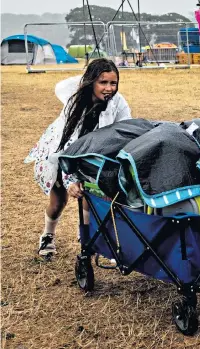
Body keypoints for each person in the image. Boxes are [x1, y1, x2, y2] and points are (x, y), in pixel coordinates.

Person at [24, 58, 132, 258]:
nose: (109, 88)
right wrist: (71, 179)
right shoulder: (75, 104)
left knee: (88, 199)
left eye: (113, 83)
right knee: (58, 202)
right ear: (91, 82)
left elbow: (125, 131)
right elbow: (67, 145)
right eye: (103, 82)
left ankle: (86, 239)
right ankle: (48, 235)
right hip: (59, 155)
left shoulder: (118, 103)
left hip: (91, 155)